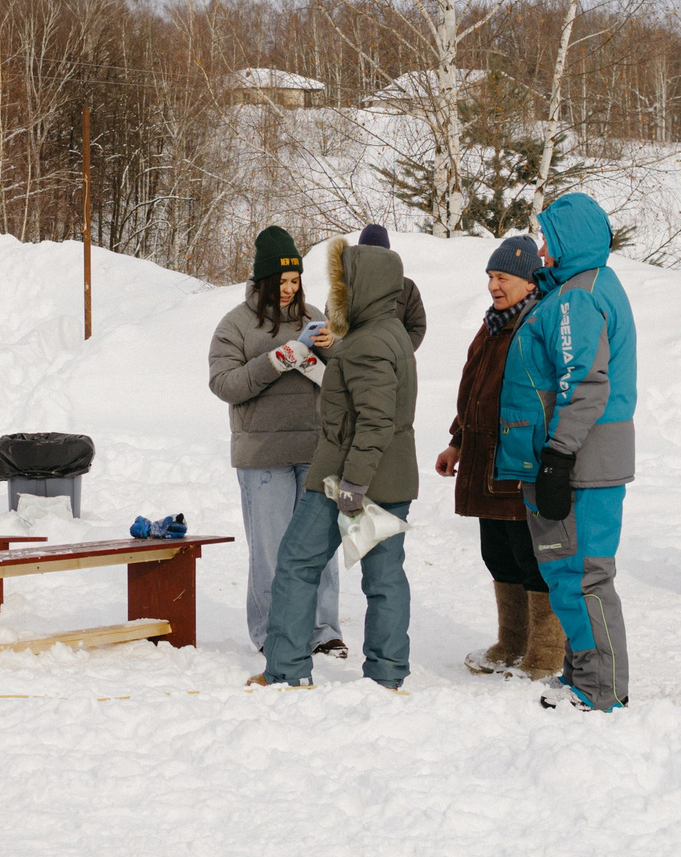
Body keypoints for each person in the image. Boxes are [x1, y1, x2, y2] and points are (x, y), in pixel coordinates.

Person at [253, 235, 420, 690]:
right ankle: (386, 675)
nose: (335, 295)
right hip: (389, 478)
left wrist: (354, 483)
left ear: (364, 286)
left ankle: (286, 669)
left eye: (342, 285)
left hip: (345, 479)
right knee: (384, 578)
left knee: (296, 564)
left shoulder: (367, 343)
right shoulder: (391, 333)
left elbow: (374, 421)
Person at [497, 192, 638, 710]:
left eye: (547, 238)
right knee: (568, 574)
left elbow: (583, 383)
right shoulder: (581, 288)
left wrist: (558, 455)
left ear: (569, 239)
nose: (541, 248)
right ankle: (582, 676)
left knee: (582, 576)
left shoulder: (578, 297)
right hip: (582, 456)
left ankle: (600, 690)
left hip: (581, 459)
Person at [207, 225, 343, 660]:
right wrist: (279, 358)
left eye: (295, 280)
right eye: (282, 281)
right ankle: (272, 632)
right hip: (263, 456)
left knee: (320, 546)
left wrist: (334, 347)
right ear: (263, 279)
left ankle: (323, 630)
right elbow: (224, 384)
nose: (289, 289)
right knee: (270, 550)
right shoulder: (235, 324)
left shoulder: (314, 316)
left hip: (315, 450)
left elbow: (344, 377)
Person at [433, 233, 566, 678]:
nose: (493, 285)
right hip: (483, 456)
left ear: (530, 282)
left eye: (503, 277)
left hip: (520, 457)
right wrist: (457, 441)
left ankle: (545, 653)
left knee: (532, 557)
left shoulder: (538, 324)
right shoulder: (491, 326)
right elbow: (473, 392)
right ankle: (512, 643)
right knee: (498, 554)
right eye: (490, 276)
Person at [355, 224, 429, 350]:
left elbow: (417, 326)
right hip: (354, 359)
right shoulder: (347, 284)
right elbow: (333, 327)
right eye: (367, 250)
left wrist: (398, 353)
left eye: (379, 251)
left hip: (394, 360)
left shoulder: (406, 287)